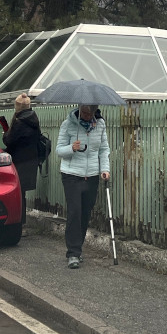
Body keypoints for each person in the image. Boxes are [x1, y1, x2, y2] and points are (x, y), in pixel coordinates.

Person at [56, 103, 110, 269]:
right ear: (79, 110)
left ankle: (77, 249)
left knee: (85, 214)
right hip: (71, 175)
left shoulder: (100, 124)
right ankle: (73, 253)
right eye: (85, 113)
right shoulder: (68, 124)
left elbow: (103, 149)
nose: (87, 116)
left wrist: (105, 169)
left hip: (92, 176)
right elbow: (59, 150)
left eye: (90, 113)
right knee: (75, 212)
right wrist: (71, 148)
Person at [2, 94, 42, 225]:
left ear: (17, 107)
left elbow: (9, 141)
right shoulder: (34, 119)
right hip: (31, 160)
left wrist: (5, 135)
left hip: (19, 161)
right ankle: (22, 223)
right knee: (22, 192)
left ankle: (19, 223)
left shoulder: (19, 122)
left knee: (18, 193)